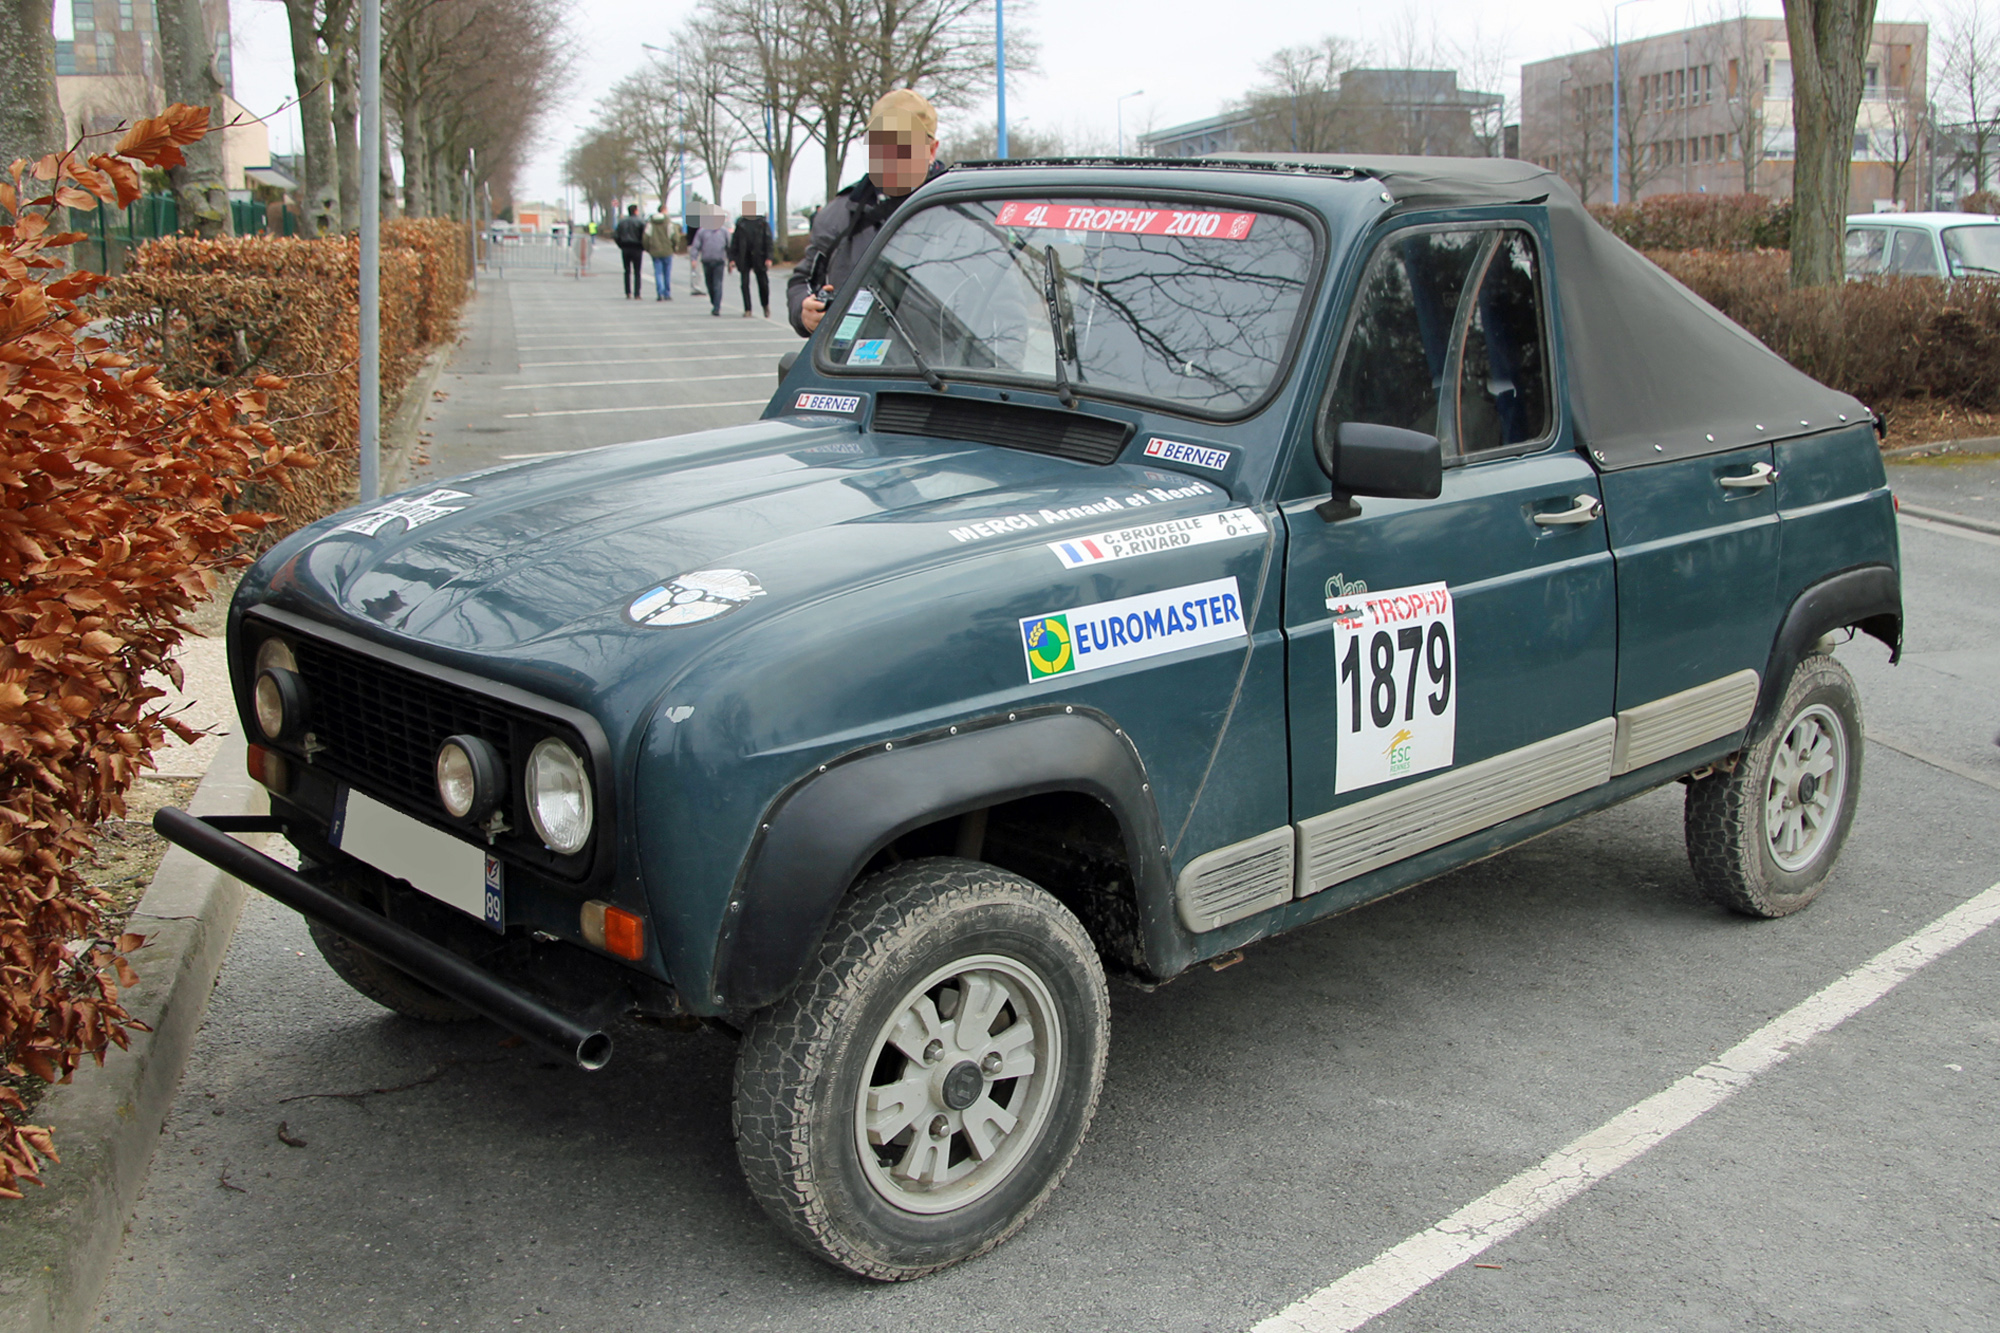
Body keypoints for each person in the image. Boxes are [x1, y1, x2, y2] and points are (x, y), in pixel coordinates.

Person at [788, 89, 948, 337]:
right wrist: (803, 311)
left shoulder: (959, 213)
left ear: (931, 150)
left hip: (937, 372)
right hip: (855, 370)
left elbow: (1003, 317)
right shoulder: (838, 216)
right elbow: (803, 280)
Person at [729, 197, 774, 319]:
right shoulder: (740, 223)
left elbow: (768, 241)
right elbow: (735, 242)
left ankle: (765, 305)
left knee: (763, 283)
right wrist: (732, 259)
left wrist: (769, 257)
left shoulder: (762, 223)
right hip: (744, 256)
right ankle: (747, 309)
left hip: (760, 255)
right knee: (744, 284)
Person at [690, 208, 731, 317]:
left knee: (717, 284)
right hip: (707, 261)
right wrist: (693, 259)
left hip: (719, 262)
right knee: (710, 284)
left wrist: (731, 261)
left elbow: (730, 247)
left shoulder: (724, 232)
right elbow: (696, 246)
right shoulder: (702, 231)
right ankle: (714, 301)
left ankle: (717, 307)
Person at [642, 205, 681, 301]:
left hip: (655, 251)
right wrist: (675, 247)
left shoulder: (651, 223)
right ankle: (667, 293)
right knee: (667, 273)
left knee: (658, 273)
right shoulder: (669, 223)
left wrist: (648, 248)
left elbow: (646, 237)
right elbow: (675, 236)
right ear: (664, 210)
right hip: (667, 250)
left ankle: (659, 293)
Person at [613, 204, 647, 300]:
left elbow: (616, 236)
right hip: (637, 248)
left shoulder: (622, 222)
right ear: (636, 211)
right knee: (637, 272)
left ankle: (628, 292)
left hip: (625, 248)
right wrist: (643, 246)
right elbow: (644, 235)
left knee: (627, 270)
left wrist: (621, 245)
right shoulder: (640, 222)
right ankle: (637, 293)